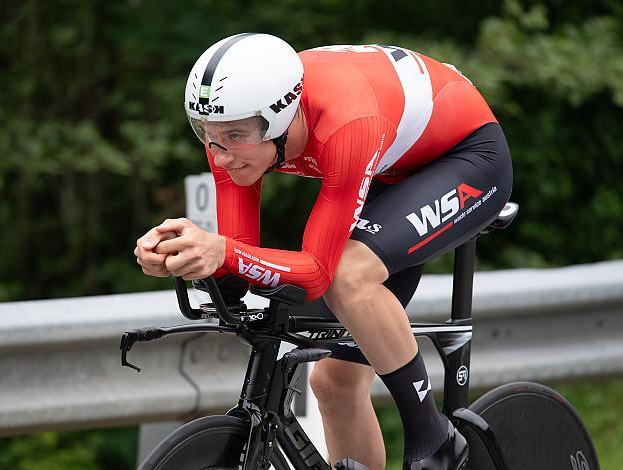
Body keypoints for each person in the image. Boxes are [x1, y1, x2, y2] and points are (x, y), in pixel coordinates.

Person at [134, 33, 512, 470]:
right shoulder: (230, 127)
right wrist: (186, 259)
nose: (220, 156)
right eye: (208, 136)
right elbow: (241, 259)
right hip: (387, 165)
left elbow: (315, 272)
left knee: (348, 275)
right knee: (335, 384)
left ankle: (436, 441)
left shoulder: (344, 123)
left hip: (464, 155)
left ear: (281, 118)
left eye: (235, 137)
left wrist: (222, 253)